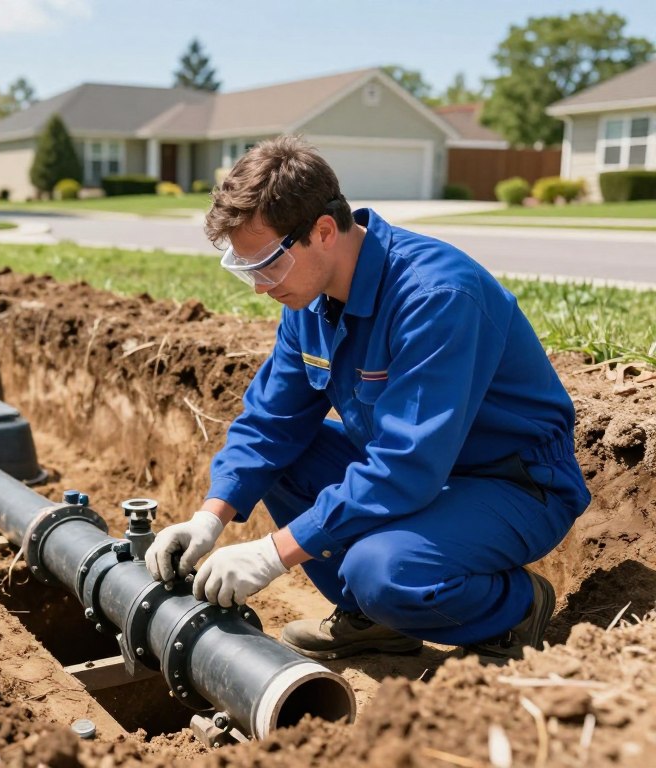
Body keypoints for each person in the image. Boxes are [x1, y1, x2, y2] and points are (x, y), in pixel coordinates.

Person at [144, 136, 590, 661]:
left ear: (324, 231)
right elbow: (271, 422)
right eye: (246, 270)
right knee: (284, 460)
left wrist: (272, 552)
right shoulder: (308, 300)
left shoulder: (436, 296)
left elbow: (407, 465)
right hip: (424, 475)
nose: (260, 287)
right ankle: (375, 620)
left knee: (381, 570)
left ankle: (510, 612)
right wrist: (210, 517)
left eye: (265, 265)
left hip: (513, 483)